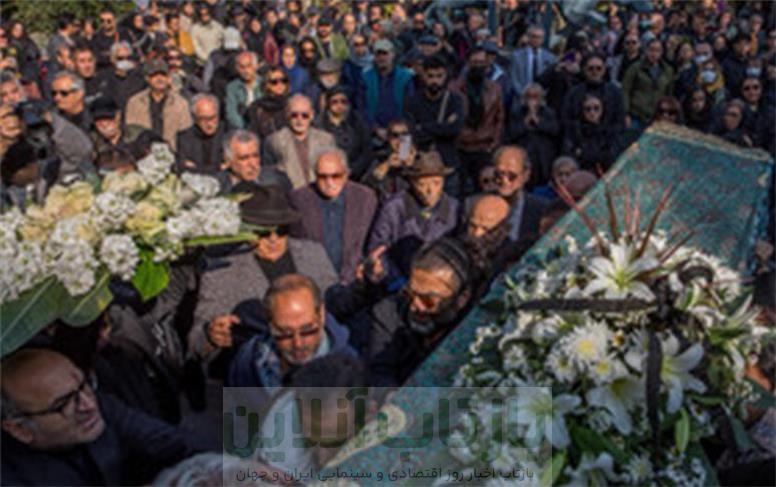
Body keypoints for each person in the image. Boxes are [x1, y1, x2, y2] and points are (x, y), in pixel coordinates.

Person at [0, 348, 206, 485]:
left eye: (85, 384)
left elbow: (174, 442)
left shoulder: (101, 404)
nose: (89, 405)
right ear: (19, 430)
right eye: (63, 405)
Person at [191, 184, 338, 359]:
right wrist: (211, 336)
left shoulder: (313, 253)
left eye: (281, 230)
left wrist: (360, 286)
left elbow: (336, 303)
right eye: (263, 232)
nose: (273, 239)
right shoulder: (222, 269)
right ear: (245, 231)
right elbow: (196, 341)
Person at [368, 238, 475, 386]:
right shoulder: (388, 312)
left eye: (428, 300)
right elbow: (378, 371)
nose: (414, 306)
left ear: (462, 298)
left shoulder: (474, 329)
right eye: (411, 293)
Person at [227, 274, 357, 389]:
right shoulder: (248, 360)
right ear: (269, 323)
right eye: (285, 333)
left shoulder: (350, 372)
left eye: (307, 330)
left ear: (321, 315)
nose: (298, 343)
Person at [289, 148, 378, 284]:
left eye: (335, 176)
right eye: (322, 177)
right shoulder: (300, 199)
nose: (329, 182)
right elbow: (294, 242)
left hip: (355, 279)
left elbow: (372, 239)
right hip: (313, 280)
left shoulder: (364, 198)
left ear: (346, 174)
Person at [368, 151, 459, 279]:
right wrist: (396, 280)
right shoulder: (394, 208)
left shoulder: (454, 208)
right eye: (422, 184)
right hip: (399, 281)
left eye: (436, 183)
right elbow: (378, 248)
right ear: (412, 182)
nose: (430, 191)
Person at [403, 55, 464, 196]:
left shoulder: (454, 100)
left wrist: (423, 127)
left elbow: (454, 129)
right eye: (430, 76)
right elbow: (407, 133)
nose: (435, 81)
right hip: (420, 169)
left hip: (447, 166)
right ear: (423, 76)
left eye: (439, 76)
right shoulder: (412, 101)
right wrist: (441, 127)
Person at [450, 47, 504, 196]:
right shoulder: (454, 88)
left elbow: (499, 117)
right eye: (475, 62)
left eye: (481, 62)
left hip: (484, 146)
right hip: (461, 146)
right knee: (460, 191)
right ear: (468, 63)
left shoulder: (495, 89)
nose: (478, 66)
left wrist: (494, 143)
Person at [263, 94, 336, 189]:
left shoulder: (326, 140)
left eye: (304, 115)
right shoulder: (274, 141)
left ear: (312, 115)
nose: (299, 120)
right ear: (287, 115)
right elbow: (269, 173)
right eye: (294, 115)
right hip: (289, 193)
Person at [124, 59, 193, 151]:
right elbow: (131, 133)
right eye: (154, 75)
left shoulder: (181, 103)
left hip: (172, 153)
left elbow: (187, 135)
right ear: (147, 78)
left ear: (168, 78)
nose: (159, 79)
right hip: (143, 153)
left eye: (163, 75)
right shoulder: (135, 102)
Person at [507, 83, 560, 188]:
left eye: (535, 97)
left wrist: (537, 121)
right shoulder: (516, 113)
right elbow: (512, 133)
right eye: (529, 97)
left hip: (544, 157)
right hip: (524, 154)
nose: (532, 101)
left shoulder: (548, 113)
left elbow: (555, 130)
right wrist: (525, 122)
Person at [561, 52, 626, 138]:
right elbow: (567, 120)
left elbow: (620, 122)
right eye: (590, 68)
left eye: (598, 68)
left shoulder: (615, 92)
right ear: (584, 70)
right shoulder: (574, 93)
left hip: (607, 141)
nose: (595, 72)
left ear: (604, 70)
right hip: (580, 140)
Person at [491, 146, 548, 243]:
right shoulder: (475, 205)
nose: (504, 180)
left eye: (511, 176)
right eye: (499, 174)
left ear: (525, 175)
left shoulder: (542, 209)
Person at [314, 86, 372, 180]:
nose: (339, 105)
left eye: (343, 101)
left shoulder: (358, 122)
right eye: (334, 102)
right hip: (328, 173)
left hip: (355, 174)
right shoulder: (319, 124)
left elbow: (366, 150)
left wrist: (353, 170)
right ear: (328, 103)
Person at [357, 39, 414, 132]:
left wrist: (401, 127)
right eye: (378, 54)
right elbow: (361, 106)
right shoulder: (365, 77)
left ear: (393, 54)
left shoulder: (405, 77)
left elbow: (410, 106)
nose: (381, 57)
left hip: (400, 130)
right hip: (372, 131)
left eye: (385, 53)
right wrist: (374, 128)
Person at [622, 38, 675, 130]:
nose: (654, 54)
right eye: (651, 50)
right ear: (646, 50)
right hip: (636, 115)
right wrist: (625, 113)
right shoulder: (635, 68)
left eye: (657, 50)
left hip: (657, 116)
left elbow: (669, 93)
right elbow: (625, 90)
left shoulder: (667, 70)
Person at [217, 130, 290, 194]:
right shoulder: (217, 188)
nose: (252, 164)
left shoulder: (277, 180)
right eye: (244, 158)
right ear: (228, 160)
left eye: (256, 156)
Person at [562, 94, 621, 172]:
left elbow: (611, 156)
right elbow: (570, 154)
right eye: (588, 109)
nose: (592, 112)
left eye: (596, 108)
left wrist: (584, 153)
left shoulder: (610, 130)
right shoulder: (574, 130)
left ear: (602, 109)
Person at [363, 119, 416, 200]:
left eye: (404, 135)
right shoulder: (379, 157)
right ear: (388, 138)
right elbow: (365, 187)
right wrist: (386, 165)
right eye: (395, 135)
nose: (400, 140)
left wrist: (412, 167)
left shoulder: (418, 157)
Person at [90, 96, 147, 169]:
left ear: (118, 116)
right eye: (99, 122)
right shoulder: (91, 142)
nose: (105, 126)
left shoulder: (138, 136)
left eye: (109, 120)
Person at [175, 94, 224, 174]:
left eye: (213, 117)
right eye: (203, 119)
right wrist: (218, 167)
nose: (209, 123)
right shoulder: (185, 138)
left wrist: (197, 168)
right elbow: (183, 170)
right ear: (195, 118)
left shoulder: (229, 135)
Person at [509, 25, 556, 98]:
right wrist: (524, 95)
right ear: (528, 37)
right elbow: (514, 79)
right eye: (534, 36)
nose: (536, 40)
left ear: (543, 39)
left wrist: (542, 96)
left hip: (542, 99)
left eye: (539, 37)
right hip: (521, 97)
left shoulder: (550, 58)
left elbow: (551, 81)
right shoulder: (516, 56)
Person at [246, 66, 289, 139]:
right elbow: (254, 133)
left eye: (283, 80)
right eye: (274, 82)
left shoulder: (292, 103)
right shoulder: (257, 107)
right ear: (267, 84)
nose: (280, 84)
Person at [100, 41, 145, 111]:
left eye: (128, 58)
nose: (125, 61)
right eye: (120, 58)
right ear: (112, 59)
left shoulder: (140, 77)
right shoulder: (105, 77)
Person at [224, 51, 262, 130]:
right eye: (242, 67)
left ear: (255, 66)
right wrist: (245, 129)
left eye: (249, 66)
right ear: (237, 68)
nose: (246, 71)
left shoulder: (264, 84)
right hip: (241, 129)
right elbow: (231, 113)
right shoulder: (232, 87)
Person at [50, 71, 91, 135]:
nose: (57, 97)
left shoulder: (96, 117)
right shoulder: (52, 119)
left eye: (64, 93)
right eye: (54, 93)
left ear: (79, 94)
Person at [723, 33, 753, 99]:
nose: (743, 47)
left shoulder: (753, 60)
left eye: (746, 44)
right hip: (735, 96)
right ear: (734, 45)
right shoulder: (726, 63)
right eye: (739, 44)